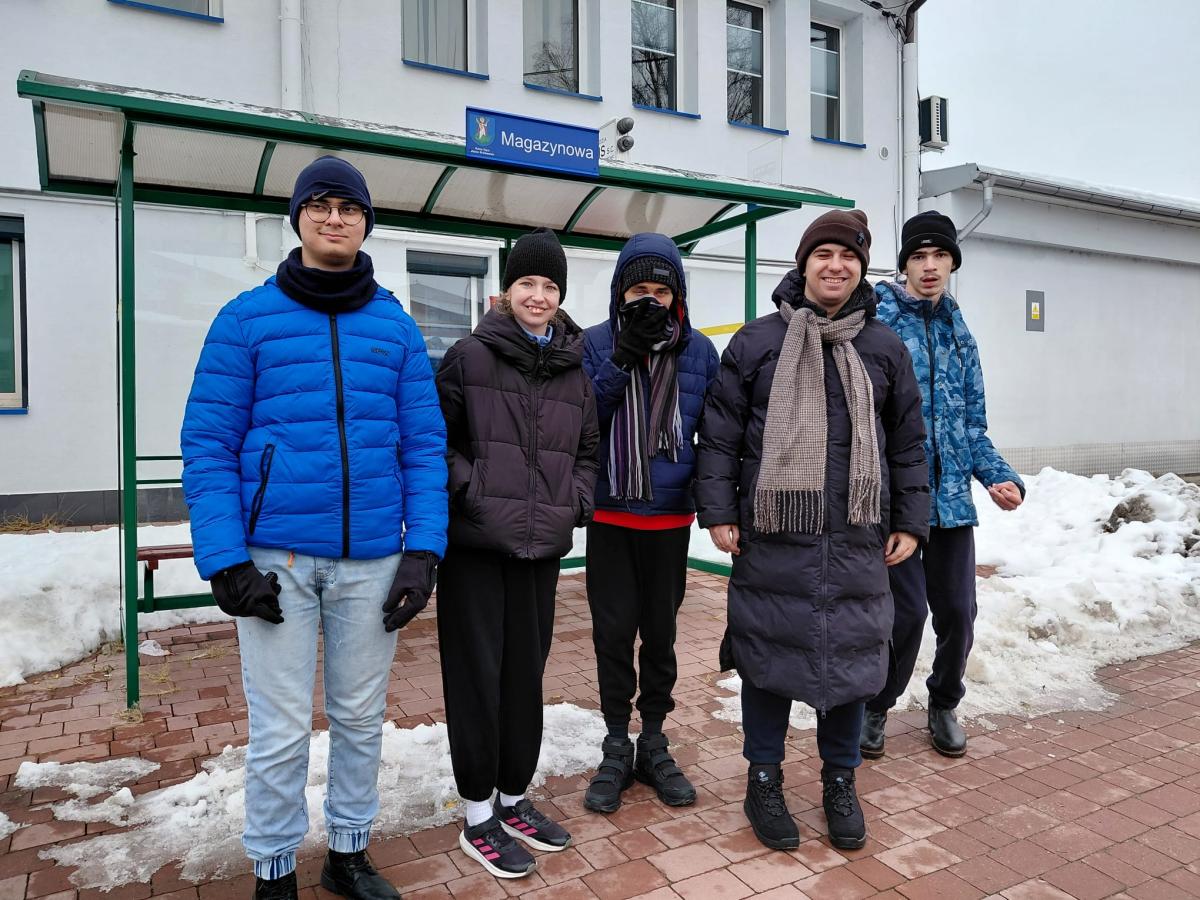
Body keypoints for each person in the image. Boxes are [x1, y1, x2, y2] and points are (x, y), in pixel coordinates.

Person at [181, 156, 447, 900]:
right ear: (298, 217)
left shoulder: (395, 328)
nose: (335, 218)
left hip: (372, 562)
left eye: (349, 208)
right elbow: (208, 444)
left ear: (366, 223)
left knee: (361, 719)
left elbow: (425, 446)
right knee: (279, 727)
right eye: (321, 205)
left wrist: (424, 550)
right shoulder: (245, 320)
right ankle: (273, 870)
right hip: (276, 562)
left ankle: (348, 854)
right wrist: (225, 559)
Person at [695, 209, 929, 851]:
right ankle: (763, 780)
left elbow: (908, 443)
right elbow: (720, 434)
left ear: (862, 269)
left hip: (858, 533)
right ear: (803, 264)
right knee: (767, 654)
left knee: (852, 658)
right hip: (774, 533)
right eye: (823, 254)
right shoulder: (757, 342)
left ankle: (839, 780)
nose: (836, 265)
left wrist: (912, 521)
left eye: (848, 256)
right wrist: (718, 511)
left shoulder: (884, 347)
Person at [435, 227, 600, 880]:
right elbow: (434, 442)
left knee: (524, 677)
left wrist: (574, 502)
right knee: (477, 678)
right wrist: (473, 490)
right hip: (477, 548)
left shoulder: (573, 371)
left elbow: (588, 451)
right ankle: (478, 814)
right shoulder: (468, 358)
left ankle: (512, 797)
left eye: (550, 285)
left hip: (540, 550)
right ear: (506, 291)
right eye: (527, 282)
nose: (538, 295)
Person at [861, 210, 1025, 760]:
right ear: (904, 264)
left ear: (953, 263)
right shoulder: (877, 321)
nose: (929, 266)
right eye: (918, 256)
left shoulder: (960, 332)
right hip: (898, 503)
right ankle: (877, 706)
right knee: (904, 615)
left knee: (958, 611)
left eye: (939, 256)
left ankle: (943, 703)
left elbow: (972, 426)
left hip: (952, 501)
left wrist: (999, 477)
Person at [579, 233, 719, 814]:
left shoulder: (699, 351)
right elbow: (582, 422)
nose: (650, 301)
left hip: (669, 515)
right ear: (620, 292)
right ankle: (616, 742)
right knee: (612, 634)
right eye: (639, 289)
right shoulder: (593, 343)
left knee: (660, 635)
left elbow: (716, 434)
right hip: (611, 513)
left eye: (661, 291)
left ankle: (654, 740)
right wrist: (622, 357)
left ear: (677, 296)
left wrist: (716, 506)